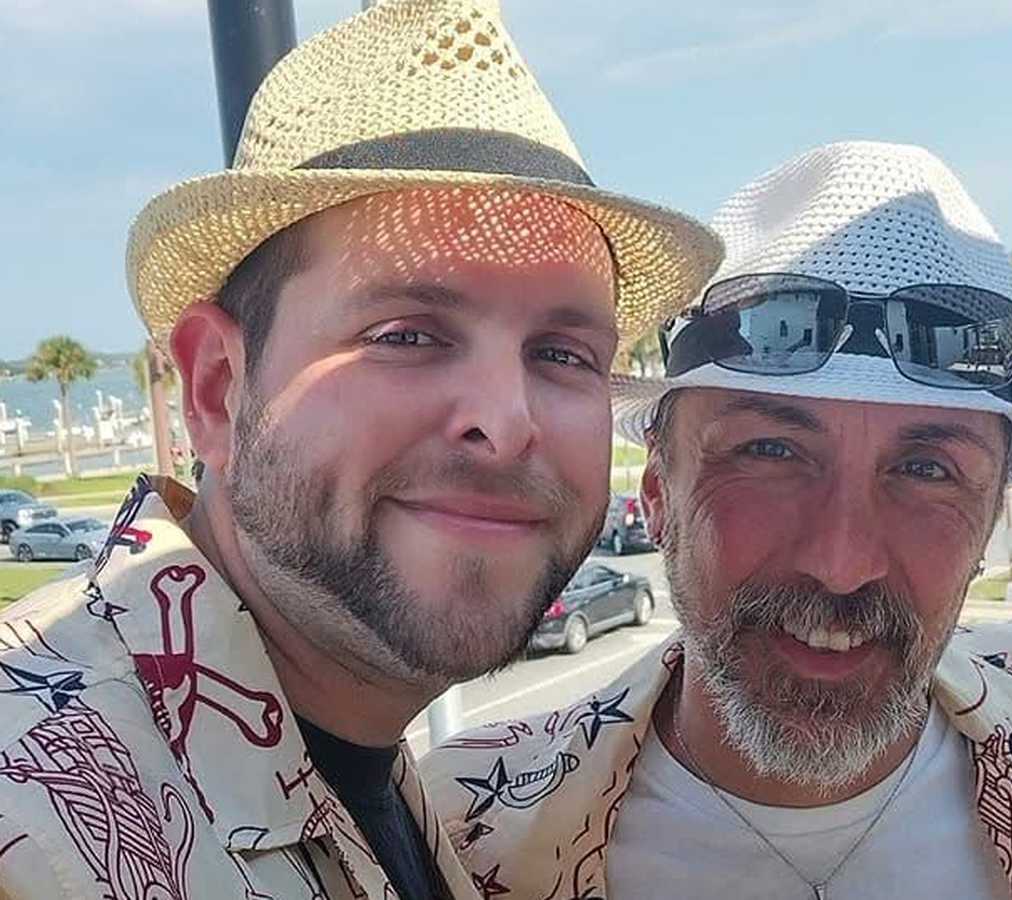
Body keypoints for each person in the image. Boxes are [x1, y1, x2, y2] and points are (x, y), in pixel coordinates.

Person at [0, 1, 720, 898]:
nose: (507, 423)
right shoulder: (35, 819)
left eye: (563, 354)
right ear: (217, 388)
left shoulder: (372, 780)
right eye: (406, 335)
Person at [421, 142, 1012, 900]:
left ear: (989, 516)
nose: (842, 562)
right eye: (770, 451)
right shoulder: (453, 840)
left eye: (926, 470)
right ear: (657, 489)